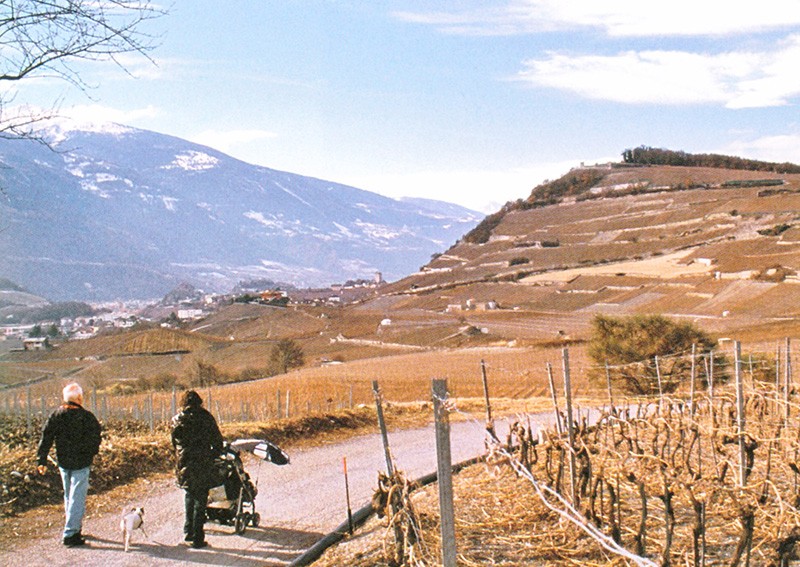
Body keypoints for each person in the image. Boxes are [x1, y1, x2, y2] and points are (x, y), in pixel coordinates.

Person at [36, 382, 102, 547]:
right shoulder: (87, 417)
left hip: (63, 462)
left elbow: (46, 437)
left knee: (69, 496)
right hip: (81, 462)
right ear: (79, 398)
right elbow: (96, 439)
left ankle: (74, 527)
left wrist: (41, 459)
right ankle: (71, 534)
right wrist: (90, 453)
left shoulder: (56, 415)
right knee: (77, 497)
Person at [171, 390, 223, 549]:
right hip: (203, 461)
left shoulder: (177, 419)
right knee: (201, 499)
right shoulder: (206, 417)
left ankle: (188, 532)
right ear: (199, 402)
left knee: (189, 494)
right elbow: (217, 441)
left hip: (185, 462)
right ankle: (197, 538)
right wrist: (213, 454)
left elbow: (174, 443)